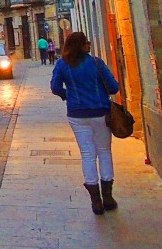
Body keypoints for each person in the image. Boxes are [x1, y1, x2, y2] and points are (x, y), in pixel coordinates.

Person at [51, 31, 121, 215]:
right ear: (81, 45)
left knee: (87, 154)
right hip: (100, 112)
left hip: (77, 114)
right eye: (87, 42)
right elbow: (114, 87)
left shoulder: (62, 64)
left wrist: (69, 96)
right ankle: (108, 197)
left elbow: (55, 87)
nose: (89, 45)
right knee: (104, 151)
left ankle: (95, 201)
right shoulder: (96, 63)